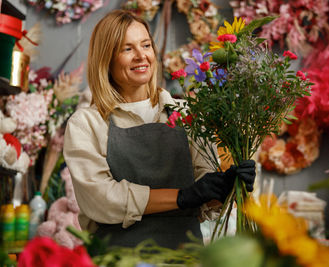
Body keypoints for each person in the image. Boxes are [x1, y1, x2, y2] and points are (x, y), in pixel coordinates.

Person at [63, 9, 256, 249]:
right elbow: (101, 200)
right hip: (116, 259)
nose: (141, 56)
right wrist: (182, 197)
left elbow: (204, 194)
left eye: (145, 45)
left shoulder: (188, 113)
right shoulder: (87, 123)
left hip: (184, 257)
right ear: (106, 59)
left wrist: (227, 186)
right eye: (127, 49)